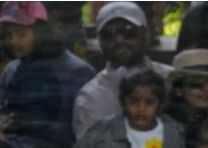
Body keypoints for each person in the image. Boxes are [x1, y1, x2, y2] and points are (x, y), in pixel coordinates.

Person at [0, 1, 95, 148]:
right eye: (9, 35)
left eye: (22, 34)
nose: (13, 41)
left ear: (41, 34)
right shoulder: (11, 69)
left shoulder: (76, 72)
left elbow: (68, 136)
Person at [72, 2, 172, 139]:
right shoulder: (91, 98)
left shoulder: (171, 78)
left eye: (128, 32)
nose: (119, 41)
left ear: (146, 33)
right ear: (100, 41)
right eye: (109, 34)